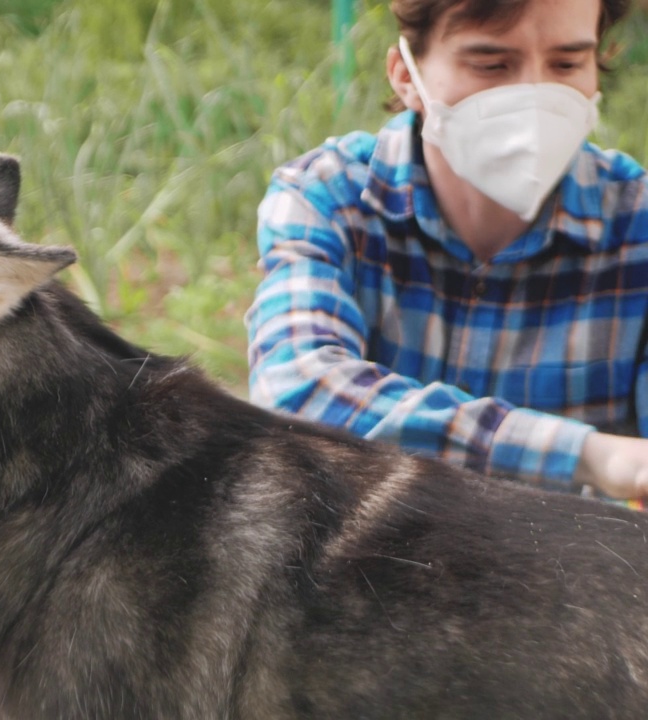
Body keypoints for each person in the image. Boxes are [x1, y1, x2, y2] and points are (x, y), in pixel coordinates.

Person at [244, 0, 648, 503]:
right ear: (405, 75)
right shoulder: (330, 198)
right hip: (368, 573)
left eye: (566, 64)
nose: (535, 95)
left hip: (573, 576)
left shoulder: (638, 227)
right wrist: (593, 455)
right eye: (491, 64)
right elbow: (298, 389)